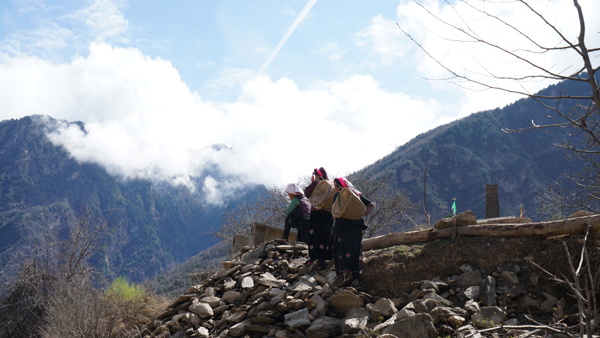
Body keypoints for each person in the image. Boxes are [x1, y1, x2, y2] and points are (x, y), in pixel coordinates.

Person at [331, 177, 375, 287]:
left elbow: (335, 213)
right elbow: (371, 205)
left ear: (338, 186)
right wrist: (362, 214)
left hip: (342, 227)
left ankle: (341, 276)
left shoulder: (338, 196)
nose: (333, 188)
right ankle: (356, 277)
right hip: (356, 227)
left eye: (334, 186)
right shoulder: (356, 195)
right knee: (355, 250)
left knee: (340, 249)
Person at [303, 167, 334, 270]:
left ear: (318, 175)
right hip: (328, 215)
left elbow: (307, 193)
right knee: (326, 235)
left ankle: (313, 258)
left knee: (315, 235)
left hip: (317, 214)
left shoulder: (316, 184)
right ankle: (324, 259)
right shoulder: (331, 185)